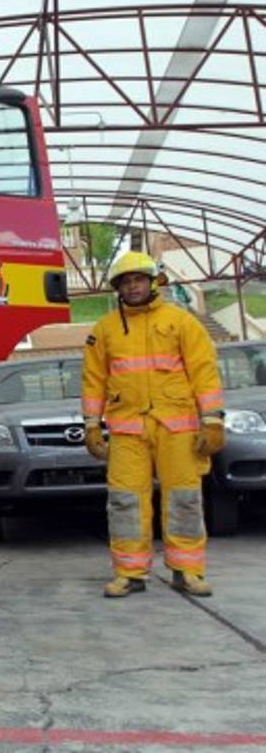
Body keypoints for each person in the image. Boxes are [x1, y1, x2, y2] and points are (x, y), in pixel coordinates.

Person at [81, 252, 224, 599]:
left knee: (184, 500)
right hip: (128, 429)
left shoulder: (183, 322)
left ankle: (187, 569)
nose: (133, 287)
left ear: (153, 281)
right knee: (125, 502)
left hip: (177, 428)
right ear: (118, 288)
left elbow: (204, 373)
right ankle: (130, 573)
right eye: (126, 282)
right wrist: (91, 425)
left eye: (138, 280)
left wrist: (212, 421)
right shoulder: (105, 330)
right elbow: (93, 381)